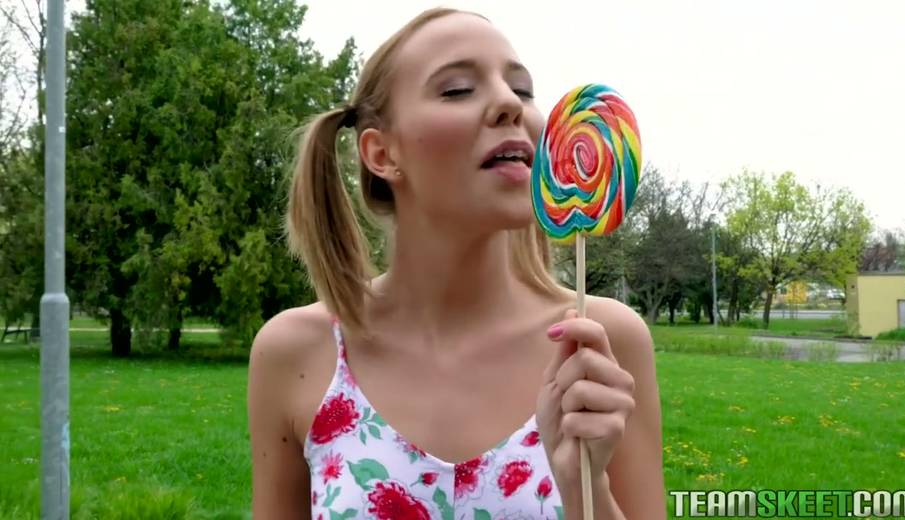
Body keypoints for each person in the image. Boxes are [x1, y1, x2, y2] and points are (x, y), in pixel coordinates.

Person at [248, 7, 665, 519]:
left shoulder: (598, 342)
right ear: (381, 154)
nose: (509, 103)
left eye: (522, 89)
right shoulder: (295, 354)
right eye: (458, 89)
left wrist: (586, 485)